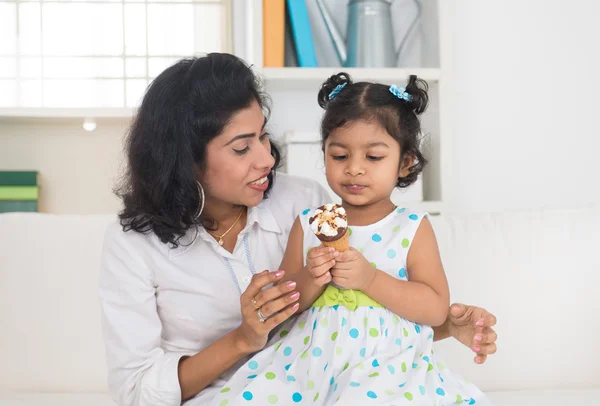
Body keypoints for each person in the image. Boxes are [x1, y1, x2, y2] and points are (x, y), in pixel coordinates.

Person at [99, 53, 497, 406]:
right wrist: (246, 335)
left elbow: (369, 323)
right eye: (242, 148)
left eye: (263, 137)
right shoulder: (133, 246)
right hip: (274, 383)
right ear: (184, 162)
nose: (267, 159)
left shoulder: (309, 203)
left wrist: (447, 326)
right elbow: (137, 390)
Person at [211, 73, 491, 405]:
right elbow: (284, 308)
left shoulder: (411, 227)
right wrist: (311, 278)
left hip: (386, 369)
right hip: (308, 365)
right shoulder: (310, 222)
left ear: (405, 163)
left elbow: (433, 309)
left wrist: (369, 278)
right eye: (340, 156)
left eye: (373, 157)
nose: (354, 169)